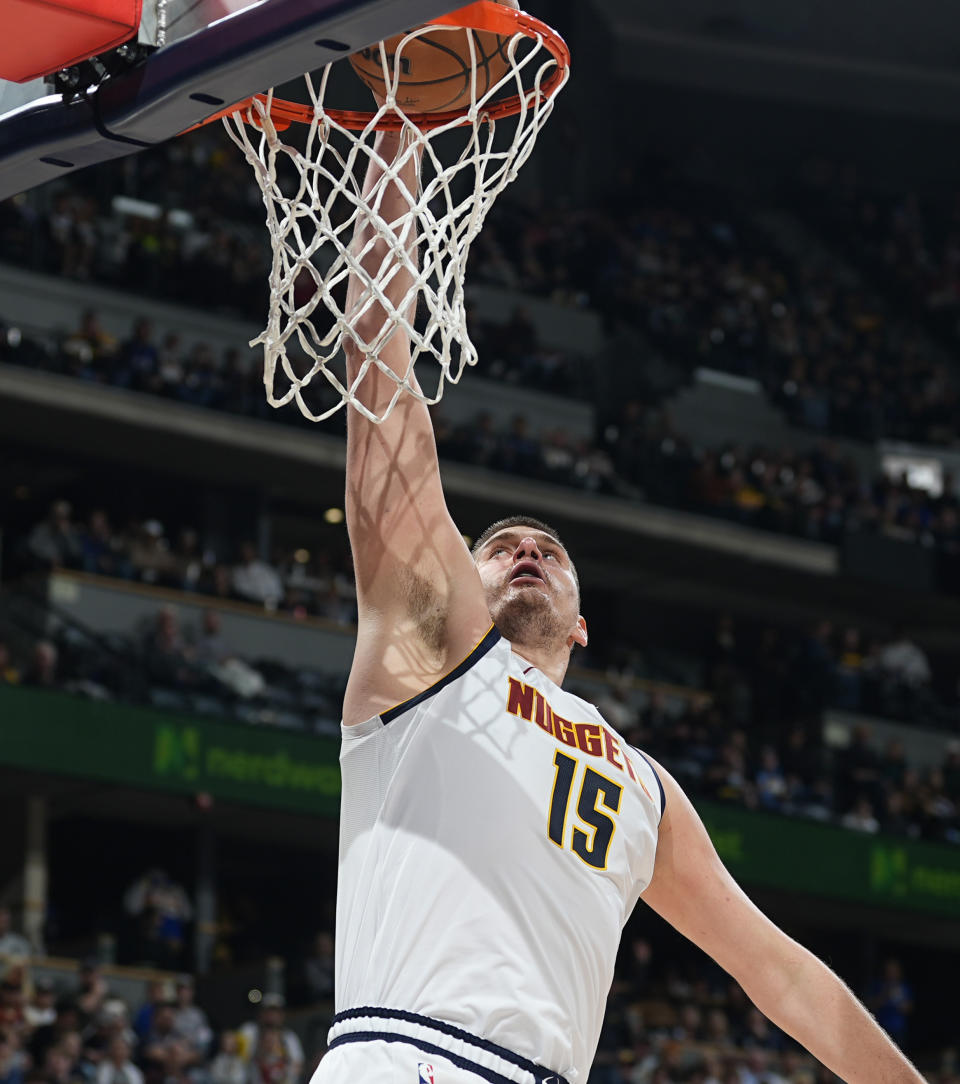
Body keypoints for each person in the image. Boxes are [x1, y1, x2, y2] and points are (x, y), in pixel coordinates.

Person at [312, 130, 926, 1084]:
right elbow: (383, 390)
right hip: (412, 1055)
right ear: (459, 586)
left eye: (550, 553)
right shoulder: (432, 657)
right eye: (502, 547)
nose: (527, 551)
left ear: (582, 623)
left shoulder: (645, 787)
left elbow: (784, 979)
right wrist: (397, 153)